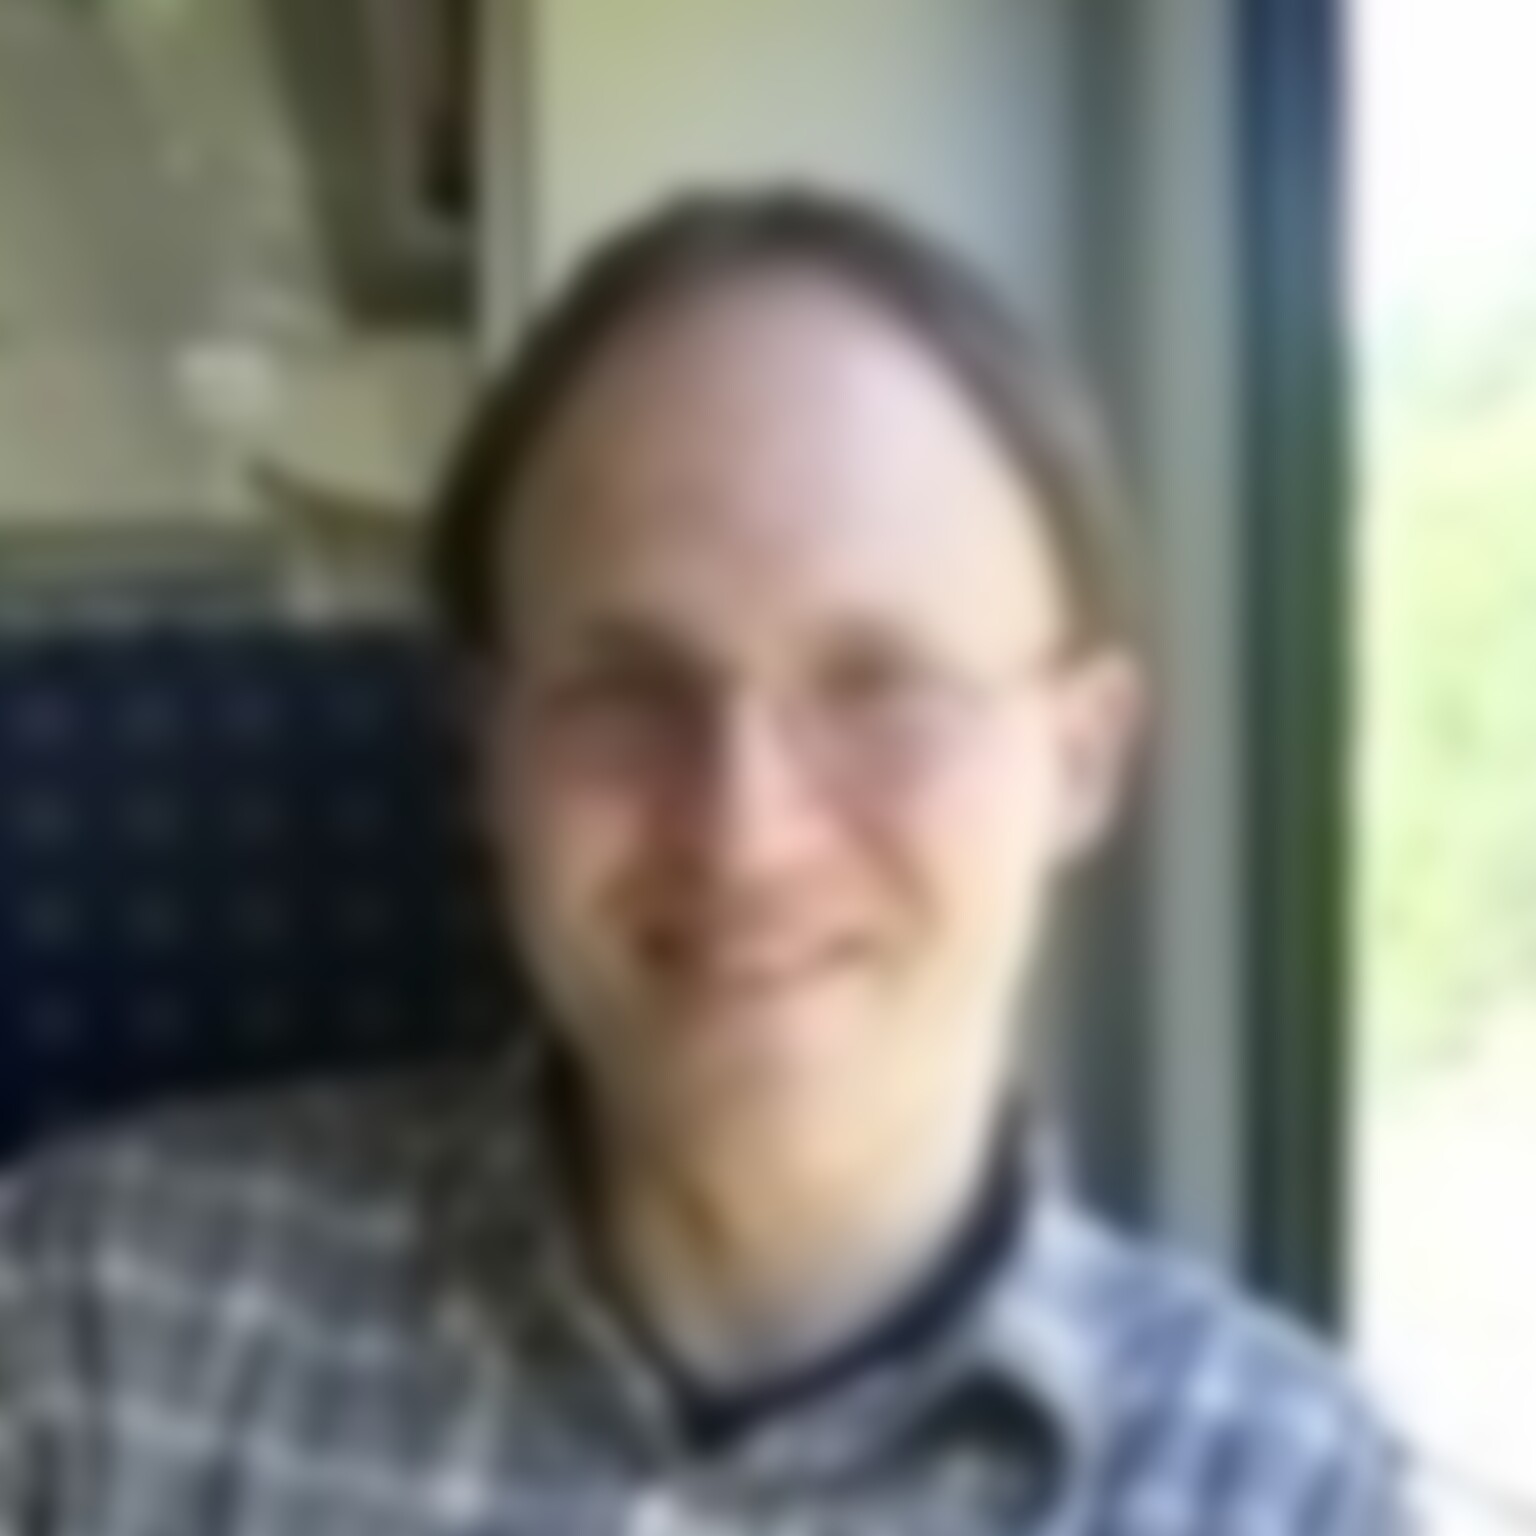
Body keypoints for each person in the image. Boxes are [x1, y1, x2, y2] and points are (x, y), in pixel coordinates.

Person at [0, 189, 1412, 1533]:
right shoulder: (89, 1325)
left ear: (1082, 761)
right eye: (624, 691)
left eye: (880, 687)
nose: (745, 833)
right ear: (488, 753)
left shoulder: (1283, 1491)